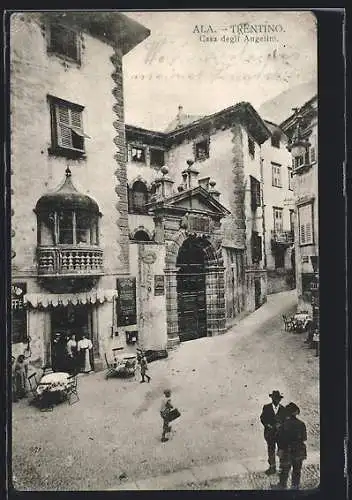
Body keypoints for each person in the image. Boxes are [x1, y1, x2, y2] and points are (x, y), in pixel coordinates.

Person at [273, 402, 307, 489]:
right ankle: (295, 486)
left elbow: (278, 438)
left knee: (284, 470)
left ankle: (282, 485)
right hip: (299, 450)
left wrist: (280, 449)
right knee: (297, 470)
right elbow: (304, 438)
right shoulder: (301, 424)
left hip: (286, 450)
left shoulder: (283, 425)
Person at [260, 390, 286, 475]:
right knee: (271, 450)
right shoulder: (266, 407)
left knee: (281, 450)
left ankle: (282, 468)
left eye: (278, 399)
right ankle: (272, 467)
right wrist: (267, 425)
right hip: (270, 433)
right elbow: (262, 418)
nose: (276, 400)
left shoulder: (283, 409)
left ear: (280, 400)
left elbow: (285, 420)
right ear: (272, 399)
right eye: (275, 398)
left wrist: (281, 425)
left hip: (280, 434)